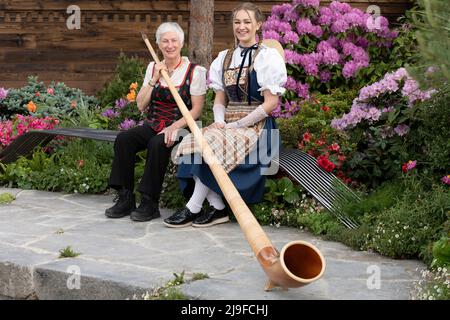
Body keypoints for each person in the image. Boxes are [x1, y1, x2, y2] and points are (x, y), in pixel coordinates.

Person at [164, 3, 287, 228]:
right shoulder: (225, 57)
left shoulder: (267, 57)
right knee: (195, 140)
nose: (242, 27)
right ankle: (218, 208)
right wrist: (220, 122)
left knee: (211, 144)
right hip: (229, 122)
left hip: (257, 127)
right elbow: (220, 99)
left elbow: (271, 104)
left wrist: (238, 124)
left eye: (247, 22)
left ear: (258, 25)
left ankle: (193, 207)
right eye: (237, 22)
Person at [105, 22, 207, 222]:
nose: (170, 45)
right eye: (165, 41)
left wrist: (174, 127)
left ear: (181, 43)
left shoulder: (195, 71)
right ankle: (125, 198)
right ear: (158, 45)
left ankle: (149, 202)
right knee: (124, 139)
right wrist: (154, 78)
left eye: (174, 40)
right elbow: (141, 106)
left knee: (157, 144)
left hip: (181, 127)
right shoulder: (153, 67)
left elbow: (196, 110)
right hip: (153, 125)